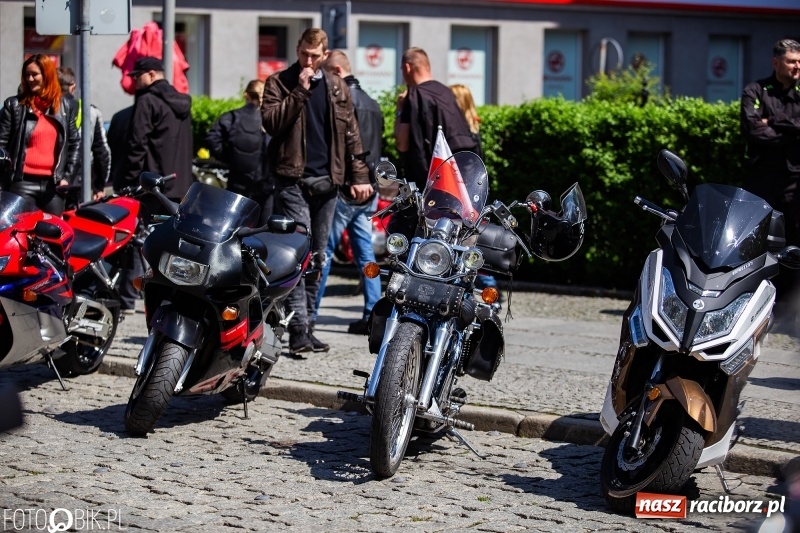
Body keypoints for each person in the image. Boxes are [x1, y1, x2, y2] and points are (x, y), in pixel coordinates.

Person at [261, 28, 371, 355]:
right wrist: (299, 91)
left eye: (314, 55)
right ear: (297, 49)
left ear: (324, 55)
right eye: (304, 53)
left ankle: (308, 326)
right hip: (292, 179)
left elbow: (352, 135)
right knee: (298, 250)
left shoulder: (337, 87)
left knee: (318, 256)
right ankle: (296, 329)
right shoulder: (279, 83)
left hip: (328, 181)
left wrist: (359, 175)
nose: (308, 60)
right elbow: (272, 123)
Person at [311, 50, 383, 336]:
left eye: (327, 74)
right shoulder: (375, 105)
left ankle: (310, 315)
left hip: (345, 190)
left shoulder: (342, 100)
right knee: (366, 256)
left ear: (337, 71)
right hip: (370, 190)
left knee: (323, 253)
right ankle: (372, 315)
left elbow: (346, 148)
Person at [741, 38, 800, 329]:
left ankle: (788, 304)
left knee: (792, 242)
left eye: (799, 61)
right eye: (791, 61)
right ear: (776, 62)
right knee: (758, 241)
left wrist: (773, 121)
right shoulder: (756, 90)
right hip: (761, 180)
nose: (797, 66)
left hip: (793, 181)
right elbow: (753, 130)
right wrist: (789, 129)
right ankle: (753, 301)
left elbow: (769, 128)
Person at [392, 47, 478, 237]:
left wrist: (399, 109)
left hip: (427, 188)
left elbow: (402, 142)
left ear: (407, 68)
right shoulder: (447, 94)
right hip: (457, 185)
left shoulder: (413, 96)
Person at [0, 54, 79, 215]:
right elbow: (1, 144)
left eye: (34, 74)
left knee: (54, 235)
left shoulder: (66, 106)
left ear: (47, 75)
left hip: (54, 186)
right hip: (21, 183)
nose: (29, 79)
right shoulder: (14, 105)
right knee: (23, 235)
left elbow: (75, 144)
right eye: (26, 74)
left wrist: (67, 177)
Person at [122, 56, 194, 201]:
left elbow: (137, 144)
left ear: (152, 74)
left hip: (153, 186)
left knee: (152, 223)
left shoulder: (147, 100)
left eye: (137, 75)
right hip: (181, 185)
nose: (134, 80)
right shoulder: (183, 100)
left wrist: (130, 180)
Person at [450, 83, 498, 294]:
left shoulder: (462, 134)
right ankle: (489, 286)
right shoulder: (474, 129)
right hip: (475, 195)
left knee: (468, 244)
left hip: (464, 196)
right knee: (474, 243)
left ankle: (487, 287)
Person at [205, 79, 274, 222]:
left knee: (233, 228)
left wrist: (229, 157)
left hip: (238, 183)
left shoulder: (232, 117)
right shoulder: (271, 120)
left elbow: (212, 138)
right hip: (266, 186)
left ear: (246, 95)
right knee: (263, 233)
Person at [57, 67, 110, 201]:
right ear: (73, 86)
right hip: (80, 180)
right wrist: (99, 185)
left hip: (50, 179)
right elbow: (102, 152)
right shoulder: (90, 111)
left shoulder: (46, 109)